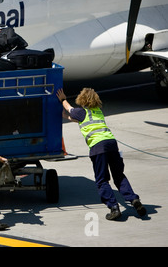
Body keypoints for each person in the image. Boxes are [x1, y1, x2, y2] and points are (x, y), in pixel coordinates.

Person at [56, 88, 147, 220]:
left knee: (102, 179)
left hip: (98, 147)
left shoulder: (81, 111)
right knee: (118, 176)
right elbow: (77, 118)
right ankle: (133, 200)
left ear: (82, 99)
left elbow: (70, 108)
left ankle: (114, 207)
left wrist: (63, 99)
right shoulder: (98, 112)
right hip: (112, 144)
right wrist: (65, 117)